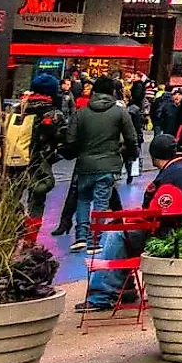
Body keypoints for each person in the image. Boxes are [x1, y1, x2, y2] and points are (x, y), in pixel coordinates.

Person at [82, 133, 182, 312]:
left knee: (115, 234)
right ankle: (124, 289)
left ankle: (102, 295)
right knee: (122, 232)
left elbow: (159, 213)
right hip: (179, 228)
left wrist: (132, 219)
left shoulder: (172, 177)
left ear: (153, 155)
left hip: (167, 232)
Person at [66, 76, 139, 254]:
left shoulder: (81, 113)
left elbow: (71, 139)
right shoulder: (120, 113)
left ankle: (81, 236)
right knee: (101, 201)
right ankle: (94, 240)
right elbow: (131, 137)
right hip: (109, 163)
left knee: (83, 199)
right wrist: (131, 154)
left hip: (85, 164)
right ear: (112, 92)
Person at [0, 74, 68, 220]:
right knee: (36, 201)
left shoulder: (16, 108)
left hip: (13, 161)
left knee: (11, 198)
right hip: (39, 164)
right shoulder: (53, 113)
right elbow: (63, 138)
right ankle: (30, 239)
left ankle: (14, 228)